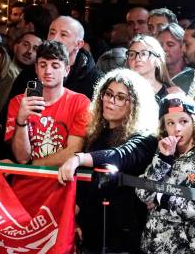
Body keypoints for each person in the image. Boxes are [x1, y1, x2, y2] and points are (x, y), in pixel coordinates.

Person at [57, 68, 159, 253]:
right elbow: (85, 188)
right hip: (91, 234)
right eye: (108, 94)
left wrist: (78, 158)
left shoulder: (145, 138)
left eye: (120, 97)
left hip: (123, 238)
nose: (111, 101)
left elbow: (117, 156)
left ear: (135, 104)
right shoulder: (96, 135)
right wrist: (74, 221)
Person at [5, 40, 89, 216]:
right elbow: (21, 157)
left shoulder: (80, 102)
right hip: (23, 194)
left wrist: (31, 166)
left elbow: (72, 152)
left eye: (55, 65)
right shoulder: (18, 102)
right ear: (36, 68)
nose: (48, 71)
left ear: (66, 70)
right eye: (43, 65)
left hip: (60, 193)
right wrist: (21, 120)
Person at [135, 94, 195, 254]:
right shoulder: (163, 151)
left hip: (184, 248)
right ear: (164, 127)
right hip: (151, 245)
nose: (177, 128)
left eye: (183, 121)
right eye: (170, 123)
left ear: (194, 122)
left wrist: (161, 197)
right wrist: (163, 159)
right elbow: (142, 191)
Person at [126, 35, 181, 100]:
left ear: (158, 60)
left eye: (143, 54)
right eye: (132, 54)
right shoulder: (121, 91)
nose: (137, 58)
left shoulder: (172, 95)